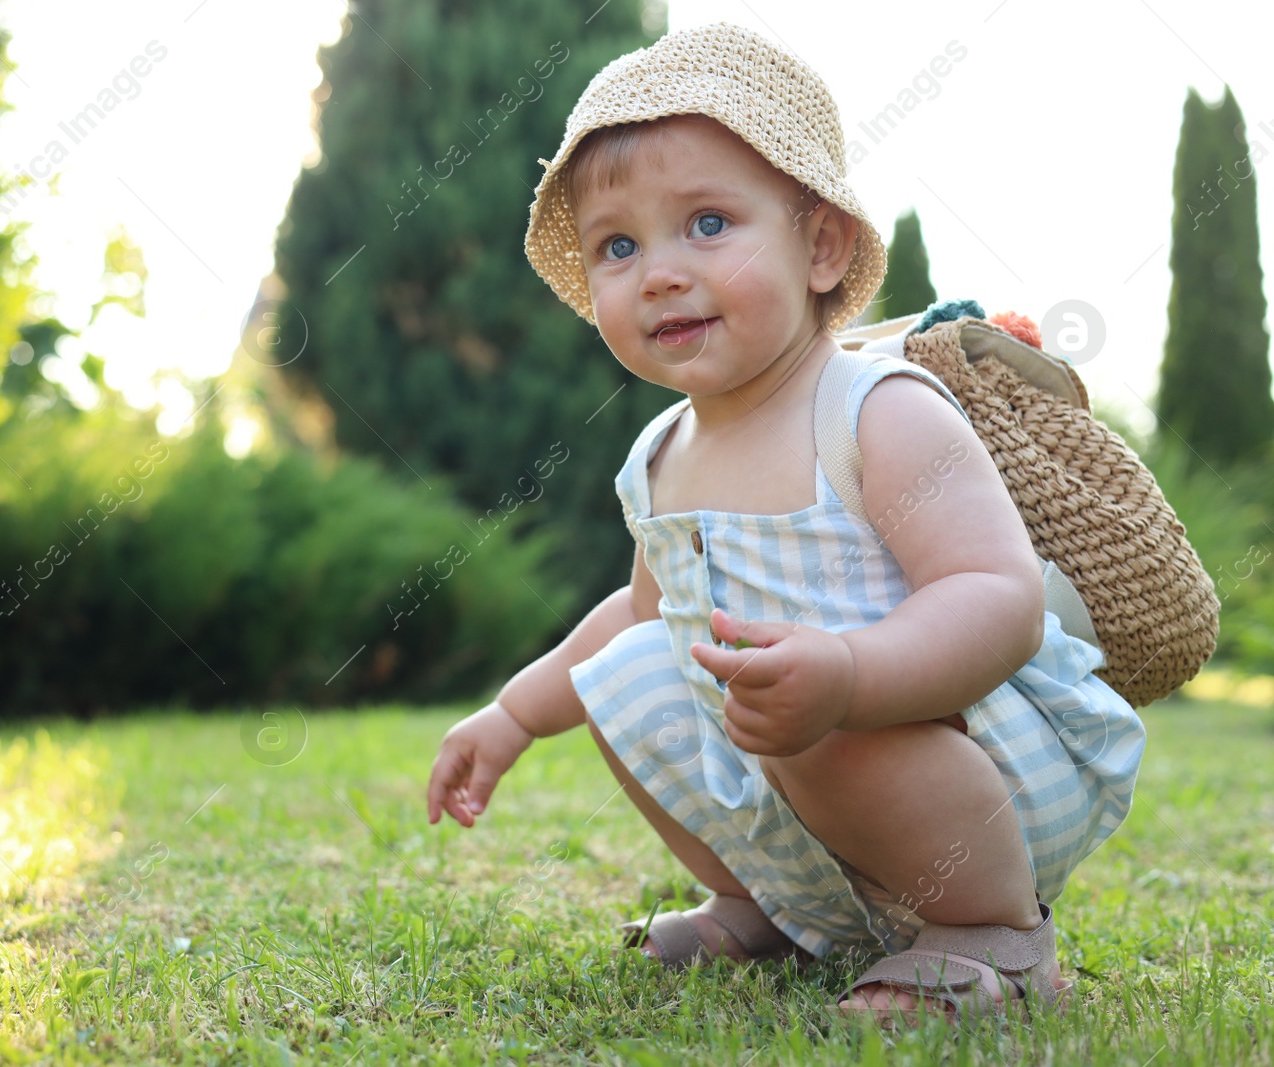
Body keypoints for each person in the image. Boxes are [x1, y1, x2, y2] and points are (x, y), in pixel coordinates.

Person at [423, 22, 1144, 1024]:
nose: (660, 271)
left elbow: (998, 599)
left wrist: (853, 674)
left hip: (976, 775)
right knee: (627, 677)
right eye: (618, 246)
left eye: (707, 224)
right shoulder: (660, 455)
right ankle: (762, 905)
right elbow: (641, 622)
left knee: (812, 712)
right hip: (808, 782)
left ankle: (994, 934)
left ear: (819, 245)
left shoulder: (874, 411)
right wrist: (512, 713)